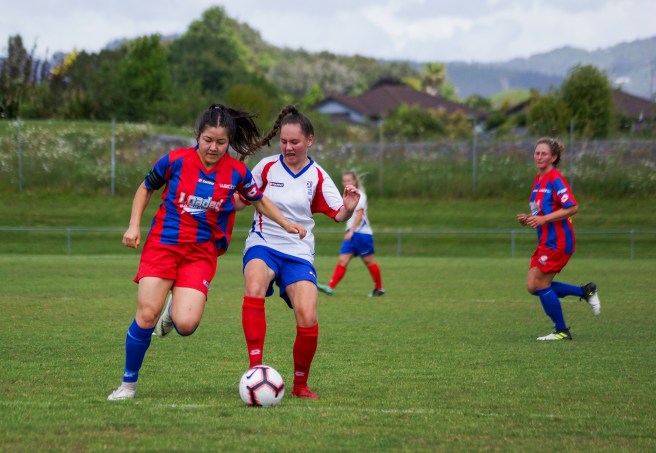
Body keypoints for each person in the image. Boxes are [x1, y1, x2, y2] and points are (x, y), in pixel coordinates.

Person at [107, 104, 306, 401]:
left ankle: (175, 308)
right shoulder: (174, 160)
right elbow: (145, 188)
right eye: (208, 140)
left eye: (221, 142)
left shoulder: (236, 172)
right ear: (197, 136)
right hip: (163, 245)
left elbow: (258, 200)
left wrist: (286, 223)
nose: (213, 148)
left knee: (186, 325)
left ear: (229, 142)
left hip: (199, 255)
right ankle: (127, 385)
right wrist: (134, 225)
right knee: (147, 314)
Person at [238, 105, 360, 399]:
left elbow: (338, 214)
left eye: (294, 142)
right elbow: (241, 200)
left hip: (298, 252)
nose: (288, 147)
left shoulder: (317, 176)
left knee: (308, 315)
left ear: (309, 140)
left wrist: (349, 208)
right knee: (254, 286)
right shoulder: (266, 167)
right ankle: (255, 371)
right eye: (283, 141)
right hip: (264, 243)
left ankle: (300, 385)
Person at [516, 137, 600, 341]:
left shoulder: (555, 179)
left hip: (559, 241)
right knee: (533, 286)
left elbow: (572, 207)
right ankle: (584, 291)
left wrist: (543, 219)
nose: (539, 157)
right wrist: (530, 218)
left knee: (541, 284)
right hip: (546, 241)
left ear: (553, 157)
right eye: (537, 153)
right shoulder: (538, 180)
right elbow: (541, 210)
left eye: (544, 153)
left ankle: (561, 331)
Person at [317, 171, 385, 297]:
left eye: (349, 180)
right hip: (352, 234)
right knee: (342, 260)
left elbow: (359, 215)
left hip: (361, 234)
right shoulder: (346, 196)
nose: (346, 183)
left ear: (354, 181)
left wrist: (352, 231)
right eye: (344, 181)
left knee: (368, 261)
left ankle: (379, 288)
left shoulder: (359, 195)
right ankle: (330, 287)